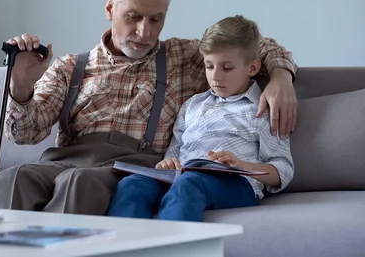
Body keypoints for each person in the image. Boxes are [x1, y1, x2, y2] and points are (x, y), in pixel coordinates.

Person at [0, 0, 298, 215]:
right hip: (64, 160)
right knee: (13, 178)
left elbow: (254, 46)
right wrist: (21, 85)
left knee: (78, 183)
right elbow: (25, 133)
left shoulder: (182, 57)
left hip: (129, 166)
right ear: (110, 9)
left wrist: (281, 77)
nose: (144, 32)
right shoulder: (70, 66)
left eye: (156, 20)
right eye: (133, 17)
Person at [106, 15, 295, 222]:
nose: (215, 77)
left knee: (189, 183)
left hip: (236, 183)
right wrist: (169, 162)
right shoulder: (193, 105)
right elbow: (176, 149)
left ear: (252, 68)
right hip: (183, 177)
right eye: (209, 66)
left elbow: (283, 169)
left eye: (227, 67)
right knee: (132, 184)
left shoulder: (263, 109)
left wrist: (242, 165)